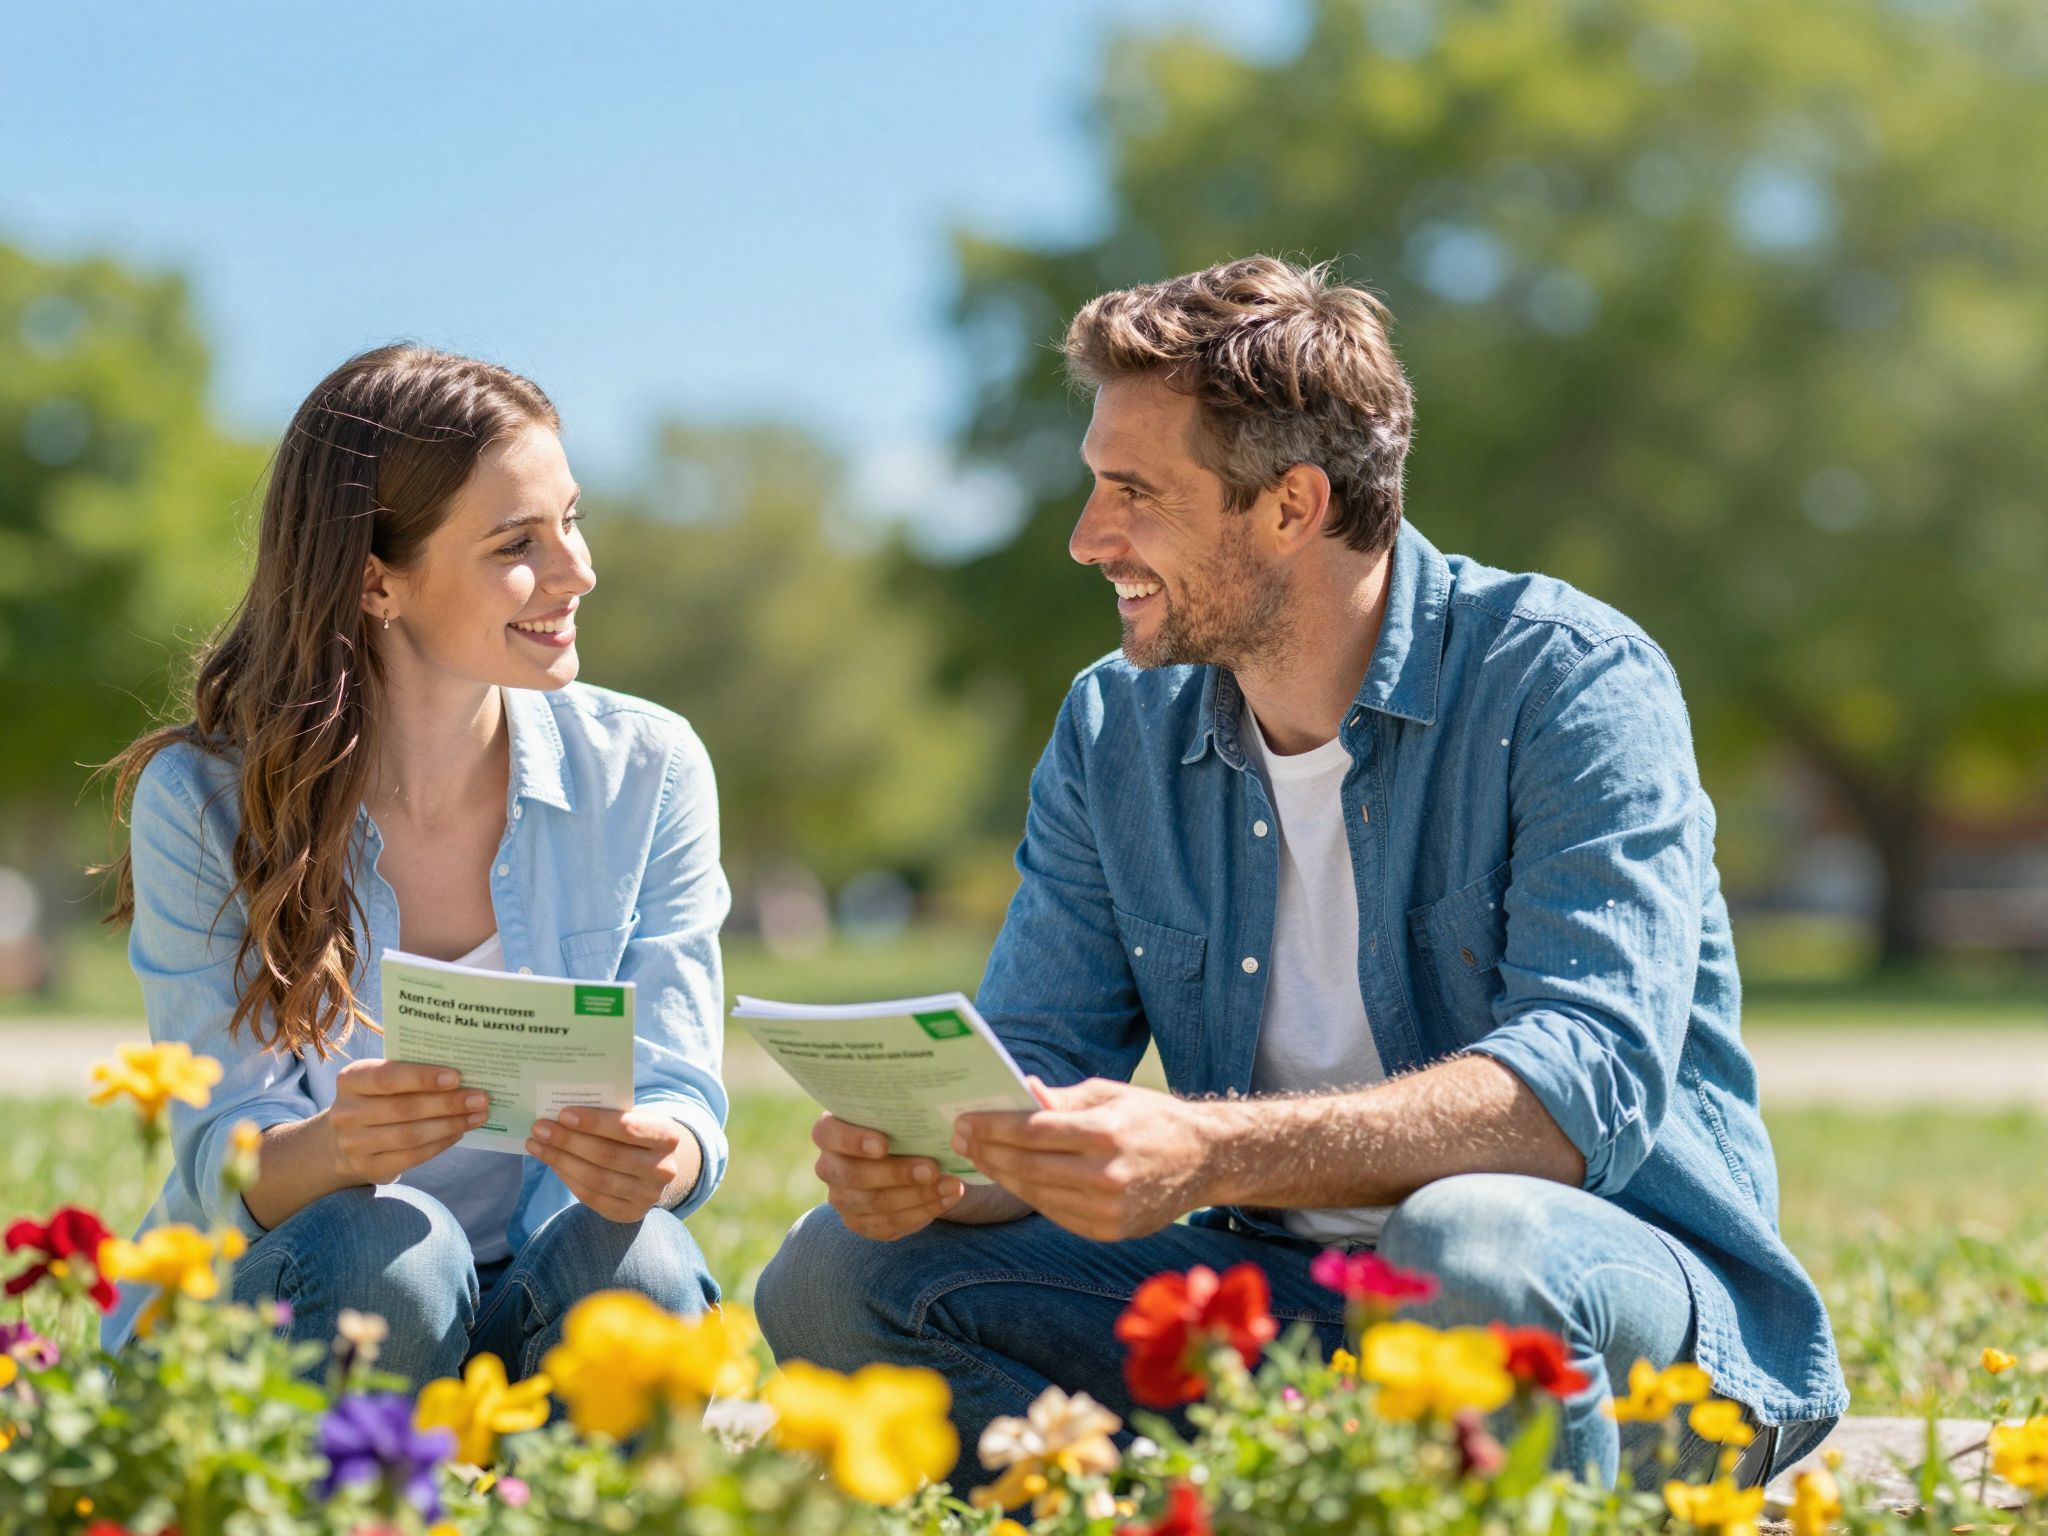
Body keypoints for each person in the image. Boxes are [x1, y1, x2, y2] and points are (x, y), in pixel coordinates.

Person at [756, 257, 1847, 1488]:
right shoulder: (1116, 729)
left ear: (1290, 504)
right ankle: (1258, 1494)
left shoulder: (1570, 682)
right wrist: (953, 1166)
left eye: (1132, 493)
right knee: (836, 1281)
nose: (1085, 539)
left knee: (1462, 1243)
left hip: (1608, 1316)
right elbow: (1038, 1060)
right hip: (1282, 1312)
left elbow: (1571, 1097)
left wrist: (1210, 1152)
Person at [98, 346, 729, 1383]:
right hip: (323, 1285)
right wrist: (338, 1150)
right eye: (517, 543)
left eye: (571, 518)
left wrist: (670, 1148)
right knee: (391, 1249)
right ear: (373, 580)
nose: (577, 571)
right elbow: (223, 1155)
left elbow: (677, 1082)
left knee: (644, 1261)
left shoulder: (649, 770)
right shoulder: (203, 801)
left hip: (539, 1287)